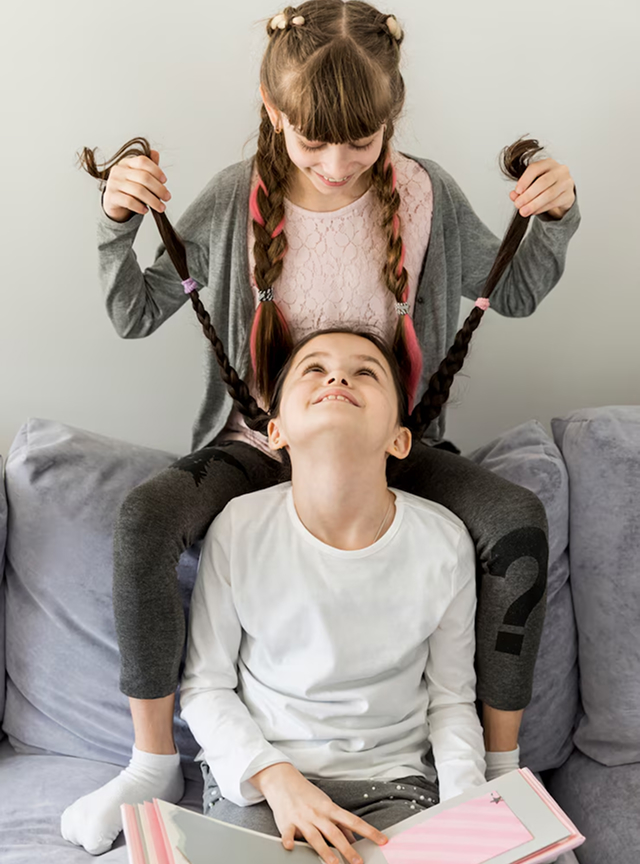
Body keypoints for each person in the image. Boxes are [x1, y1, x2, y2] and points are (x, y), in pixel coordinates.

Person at [62, 0, 580, 855]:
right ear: (273, 110)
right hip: (257, 441)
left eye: (362, 142)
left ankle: (499, 773)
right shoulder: (237, 199)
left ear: (392, 115)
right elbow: (135, 311)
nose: (336, 166)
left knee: (517, 520)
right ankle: (150, 761)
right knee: (144, 518)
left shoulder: (424, 196)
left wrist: (554, 216)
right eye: (312, 143)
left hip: (392, 445)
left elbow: (514, 291)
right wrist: (117, 224)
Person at [180, 328, 487, 864]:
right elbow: (205, 686)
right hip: (267, 779)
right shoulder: (239, 528)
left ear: (399, 440)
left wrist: (468, 807)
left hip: (393, 785)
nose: (338, 377)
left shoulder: (444, 543)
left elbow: (452, 699)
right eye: (314, 369)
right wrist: (275, 778)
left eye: (366, 371)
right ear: (276, 431)